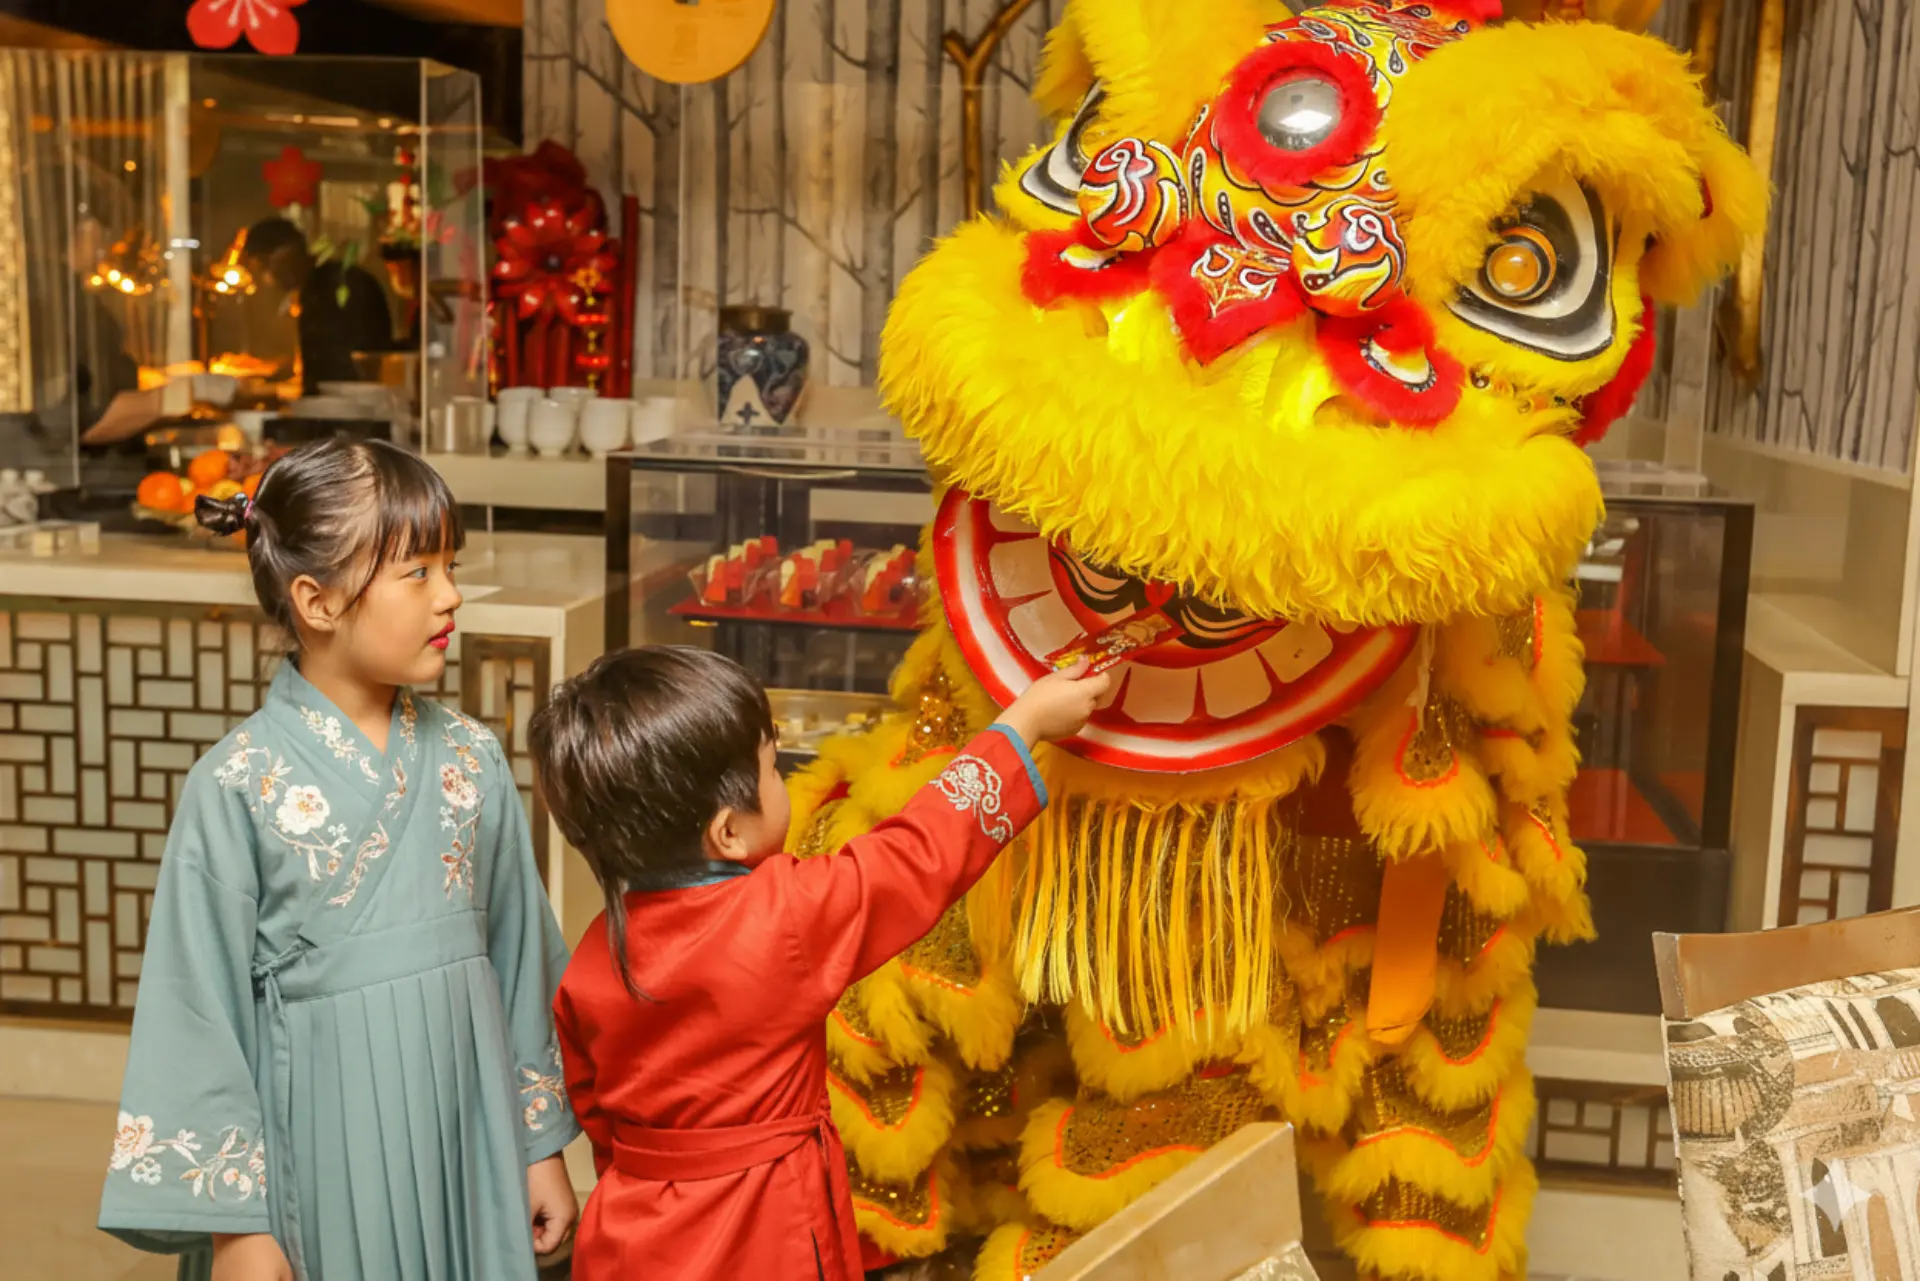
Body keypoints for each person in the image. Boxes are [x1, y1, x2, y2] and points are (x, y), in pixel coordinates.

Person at [98, 438, 579, 1281]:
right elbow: (195, 1010)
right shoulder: (238, 783)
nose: (450, 595)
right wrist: (237, 1229)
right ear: (316, 601)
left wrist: (540, 1142)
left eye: (451, 566)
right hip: (318, 1149)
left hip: (466, 1137)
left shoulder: (470, 758)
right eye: (418, 572)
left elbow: (521, 960)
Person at [532, 645, 1111, 1280]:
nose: (780, 780)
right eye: (771, 768)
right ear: (728, 832)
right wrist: (1022, 726)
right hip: (762, 1227)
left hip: (636, 1229)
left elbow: (596, 1111)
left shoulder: (596, 950)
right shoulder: (783, 917)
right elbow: (917, 854)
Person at [244, 217, 396, 394]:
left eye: (264, 266)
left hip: (350, 400)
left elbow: (334, 366)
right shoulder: (319, 285)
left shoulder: (336, 287)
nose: (268, 277)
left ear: (286, 253)